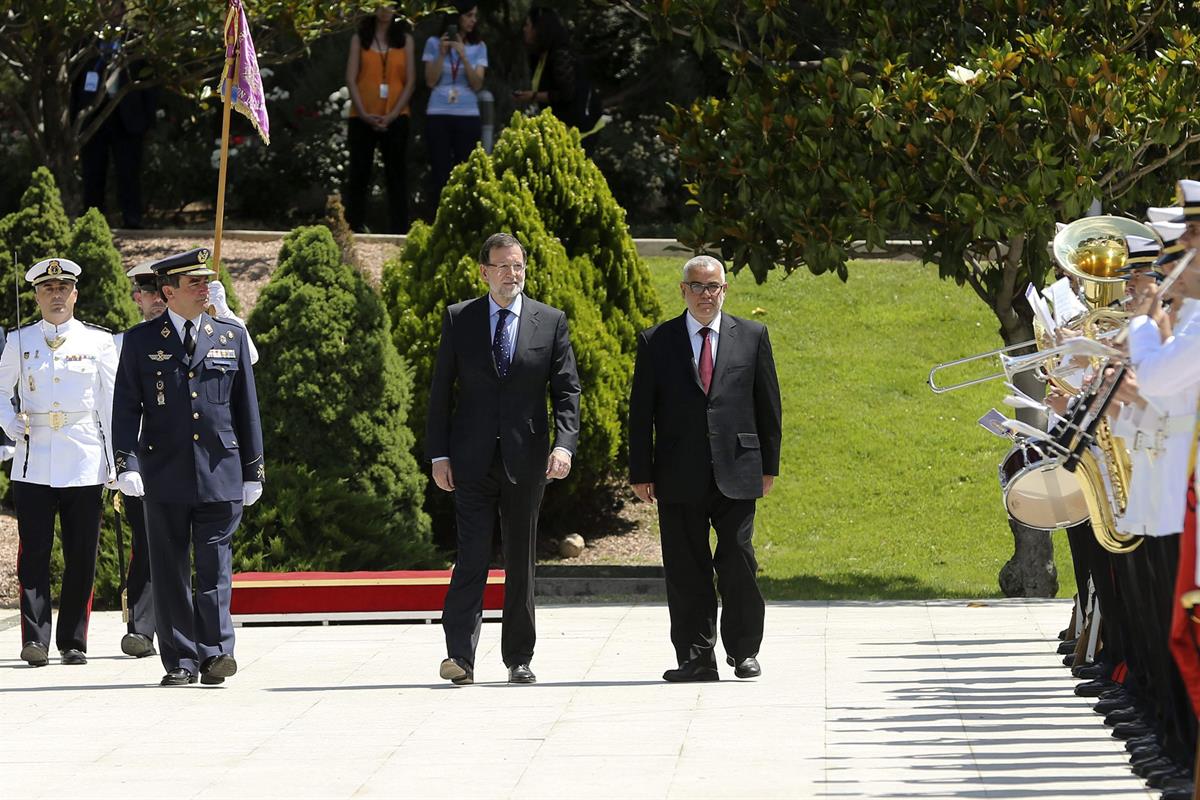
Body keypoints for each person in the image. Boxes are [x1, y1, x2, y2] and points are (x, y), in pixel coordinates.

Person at [427, 232, 580, 685]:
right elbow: (440, 393)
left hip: (527, 460)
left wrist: (564, 445)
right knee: (471, 557)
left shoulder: (549, 321)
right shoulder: (460, 319)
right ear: (484, 271)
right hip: (470, 461)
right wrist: (439, 454)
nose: (511, 274)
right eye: (502, 266)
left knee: (520, 559)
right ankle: (460, 657)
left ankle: (519, 658)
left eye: (517, 266)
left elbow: (567, 391)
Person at [112, 247, 264, 687]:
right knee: (170, 569)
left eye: (205, 281)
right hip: (164, 470)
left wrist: (254, 469)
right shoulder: (141, 341)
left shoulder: (230, 335)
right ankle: (180, 659)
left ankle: (217, 652)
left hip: (220, 468)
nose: (204, 289)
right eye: (193, 283)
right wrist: (127, 463)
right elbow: (126, 409)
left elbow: (246, 408)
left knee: (215, 567)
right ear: (168, 291)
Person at [628, 255, 782, 682]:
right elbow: (641, 413)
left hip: (738, 468)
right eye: (696, 286)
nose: (705, 295)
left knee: (737, 561)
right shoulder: (656, 341)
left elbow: (768, 406)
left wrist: (769, 465)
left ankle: (745, 651)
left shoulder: (752, 336)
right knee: (685, 568)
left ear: (725, 290)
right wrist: (641, 471)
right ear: (682, 291)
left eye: (712, 287)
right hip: (677, 472)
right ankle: (696, 658)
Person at [0, 258, 118, 667]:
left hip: (83, 457)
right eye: (48, 289)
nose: (56, 295)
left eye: (63, 288)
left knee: (81, 553)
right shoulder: (19, 341)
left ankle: (72, 640)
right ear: (35, 296)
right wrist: (7, 420)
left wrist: (116, 461)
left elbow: (111, 404)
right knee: (34, 552)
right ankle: (35, 640)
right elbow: (0, 389)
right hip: (34, 457)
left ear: (75, 294)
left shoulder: (98, 341)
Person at [113, 261, 167, 659]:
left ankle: (183, 628)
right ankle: (142, 629)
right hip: (141, 458)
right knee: (147, 542)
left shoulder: (199, 334)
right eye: (150, 292)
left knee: (187, 542)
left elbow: (247, 361)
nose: (158, 300)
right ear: (138, 298)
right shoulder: (119, 344)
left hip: (185, 455)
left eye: (163, 291)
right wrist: (118, 461)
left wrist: (225, 313)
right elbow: (108, 408)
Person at [71, 34, 157, 229]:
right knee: (93, 172)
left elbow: (149, 85)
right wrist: (75, 121)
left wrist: (149, 121)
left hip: (127, 117)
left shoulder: (136, 41)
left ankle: (132, 218)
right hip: (93, 117)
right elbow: (74, 86)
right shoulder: (86, 43)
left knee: (129, 173)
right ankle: (93, 221)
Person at [344, 5, 416, 233]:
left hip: (396, 117)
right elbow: (351, 78)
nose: (385, 10)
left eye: (390, 5)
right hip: (362, 117)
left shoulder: (405, 41)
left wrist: (392, 114)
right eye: (380, 4)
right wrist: (364, 113)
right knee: (359, 173)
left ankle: (400, 230)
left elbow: (410, 81)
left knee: (397, 175)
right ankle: (352, 228)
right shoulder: (360, 39)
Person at [422, 2, 487, 206]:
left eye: (475, 16)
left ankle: (463, 216)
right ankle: (439, 215)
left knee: (466, 169)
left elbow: (477, 84)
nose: (472, 21)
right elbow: (430, 81)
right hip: (438, 113)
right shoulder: (433, 43)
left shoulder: (479, 46)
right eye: (468, 15)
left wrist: (463, 56)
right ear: (456, 17)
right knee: (440, 170)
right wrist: (442, 54)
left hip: (467, 114)